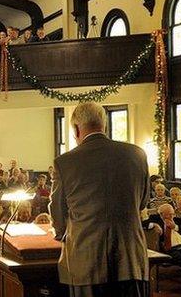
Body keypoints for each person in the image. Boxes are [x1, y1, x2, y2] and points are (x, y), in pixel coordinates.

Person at [49, 102, 150, 296]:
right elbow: (143, 201)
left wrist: (62, 232)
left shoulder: (65, 162)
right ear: (104, 124)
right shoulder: (137, 154)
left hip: (86, 261)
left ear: (76, 129)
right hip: (130, 258)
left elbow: (58, 213)